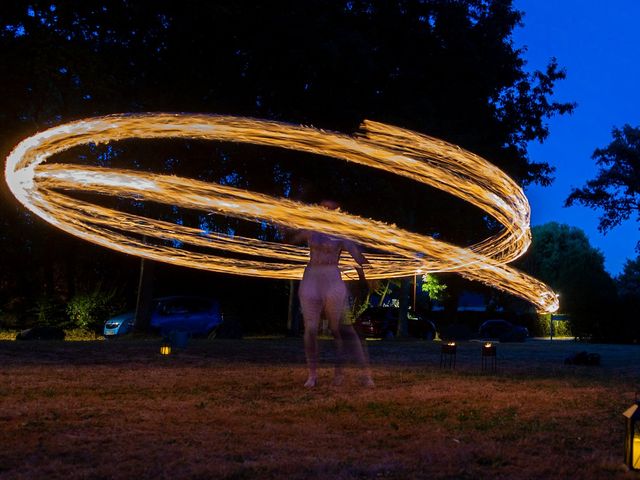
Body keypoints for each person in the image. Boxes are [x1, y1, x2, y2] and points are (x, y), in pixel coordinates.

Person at [290, 200, 374, 388]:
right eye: (324, 208)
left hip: (332, 279)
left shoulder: (341, 234)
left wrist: (374, 270)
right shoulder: (312, 230)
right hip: (312, 277)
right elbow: (292, 238)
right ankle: (312, 375)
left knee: (342, 329)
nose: (326, 211)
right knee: (310, 329)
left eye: (331, 208)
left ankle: (363, 373)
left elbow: (357, 255)